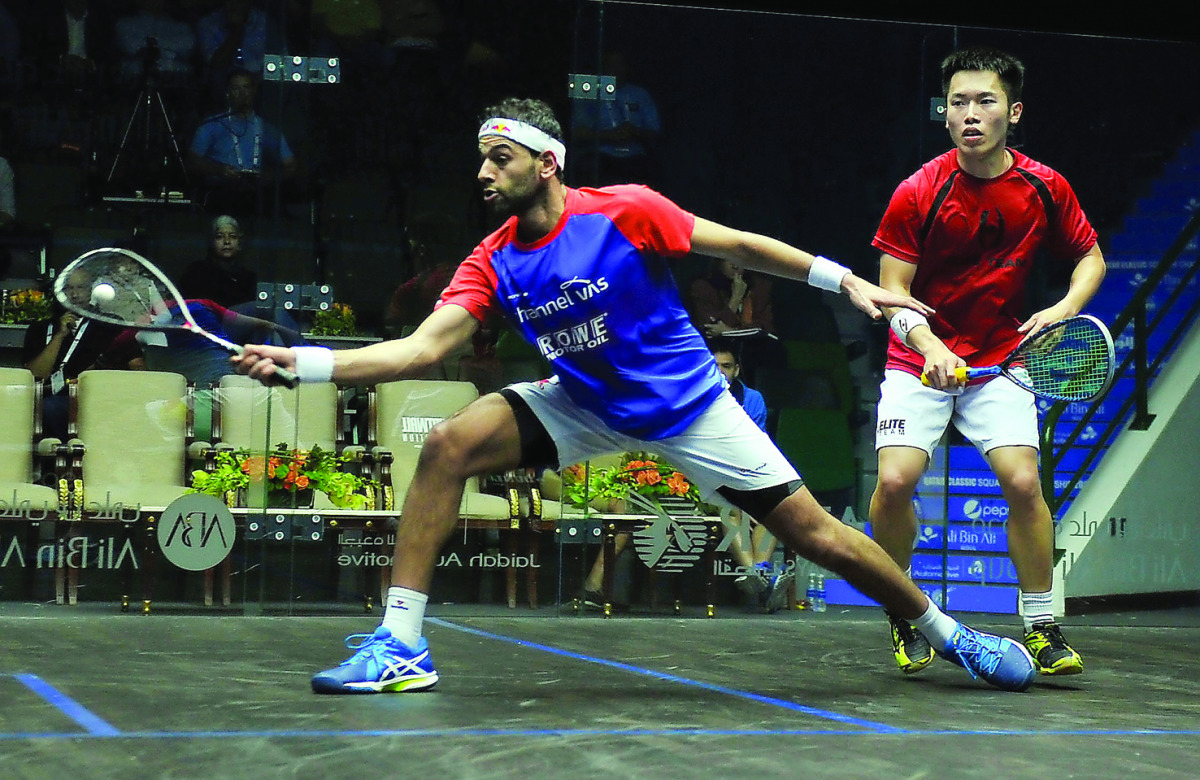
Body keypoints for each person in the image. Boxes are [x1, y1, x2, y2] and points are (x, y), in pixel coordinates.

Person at [236, 96, 1038, 695]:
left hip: (692, 408)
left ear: (545, 162)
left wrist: (851, 283)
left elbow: (743, 246)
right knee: (448, 445)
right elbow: (420, 349)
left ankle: (947, 632)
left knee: (818, 537)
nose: (483, 174)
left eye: (499, 159)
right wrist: (303, 363)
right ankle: (402, 644)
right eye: (480, 160)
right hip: (583, 403)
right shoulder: (492, 259)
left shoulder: (626, 210)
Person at [869, 47, 1106, 679]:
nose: (970, 114)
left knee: (1024, 483)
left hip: (1001, 360)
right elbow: (893, 293)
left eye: (985, 101)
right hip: (916, 357)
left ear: (1013, 111)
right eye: (957, 103)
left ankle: (1041, 625)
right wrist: (932, 349)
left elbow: (1090, 259)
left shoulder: (1043, 186)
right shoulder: (920, 189)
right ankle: (904, 609)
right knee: (893, 484)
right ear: (944, 114)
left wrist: (1062, 309)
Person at [21, 273, 131, 439]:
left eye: (80, 287)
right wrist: (59, 336)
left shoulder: (109, 325)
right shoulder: (39, 329)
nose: (74, 294)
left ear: (91, 292)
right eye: (68, 288)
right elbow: (36, 375)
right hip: (44, 397)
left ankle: (70, 454)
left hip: (91, 400)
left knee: (51, 407)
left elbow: (131, 366)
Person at [187, 69, 299, 216]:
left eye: (246, 88)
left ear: (253, 92)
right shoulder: (212, 125)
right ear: (228, 93)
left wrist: (268, 176)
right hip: (222, 191)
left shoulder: (268, 128)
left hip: (257, 193)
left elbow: (291, 165)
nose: (242, 93)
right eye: (236, 88)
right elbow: (191, 161)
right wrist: (220, 170)